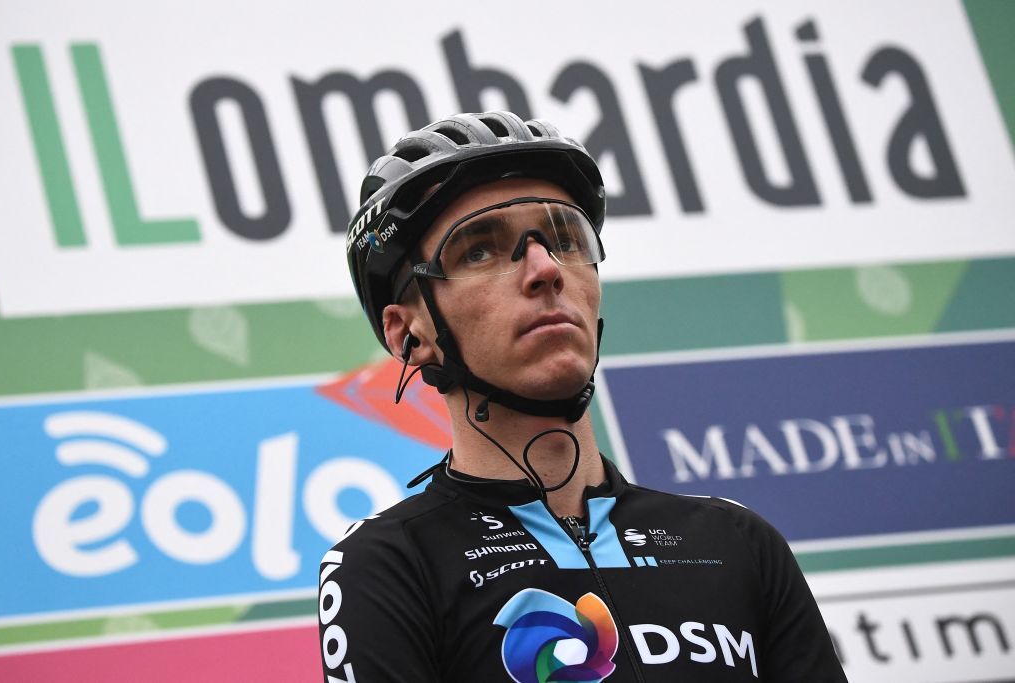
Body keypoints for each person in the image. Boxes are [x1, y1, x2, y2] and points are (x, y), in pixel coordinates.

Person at [319, 111, 848, 682]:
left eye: (566, 238)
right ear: (409, 334)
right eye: (479, 250)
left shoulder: (738, 543)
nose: (545, 269)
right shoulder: (391, 564)